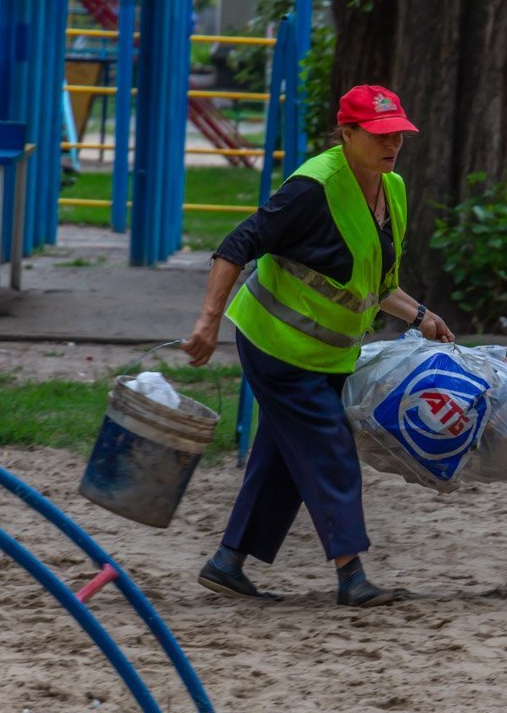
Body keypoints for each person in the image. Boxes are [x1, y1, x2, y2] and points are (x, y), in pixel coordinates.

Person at [181, 84, 454, 608]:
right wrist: (207, 322)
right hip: (276, 345)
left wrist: (422, 317)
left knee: (284, 454)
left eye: (397, 131)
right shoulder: (312, 188)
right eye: (377, 133)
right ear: (346, 133)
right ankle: (351, 575)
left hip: (328, 352)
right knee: (329, 448)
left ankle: (227, 562)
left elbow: (374, 285)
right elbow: (237, 244)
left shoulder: (391, 189)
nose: (391, 141)